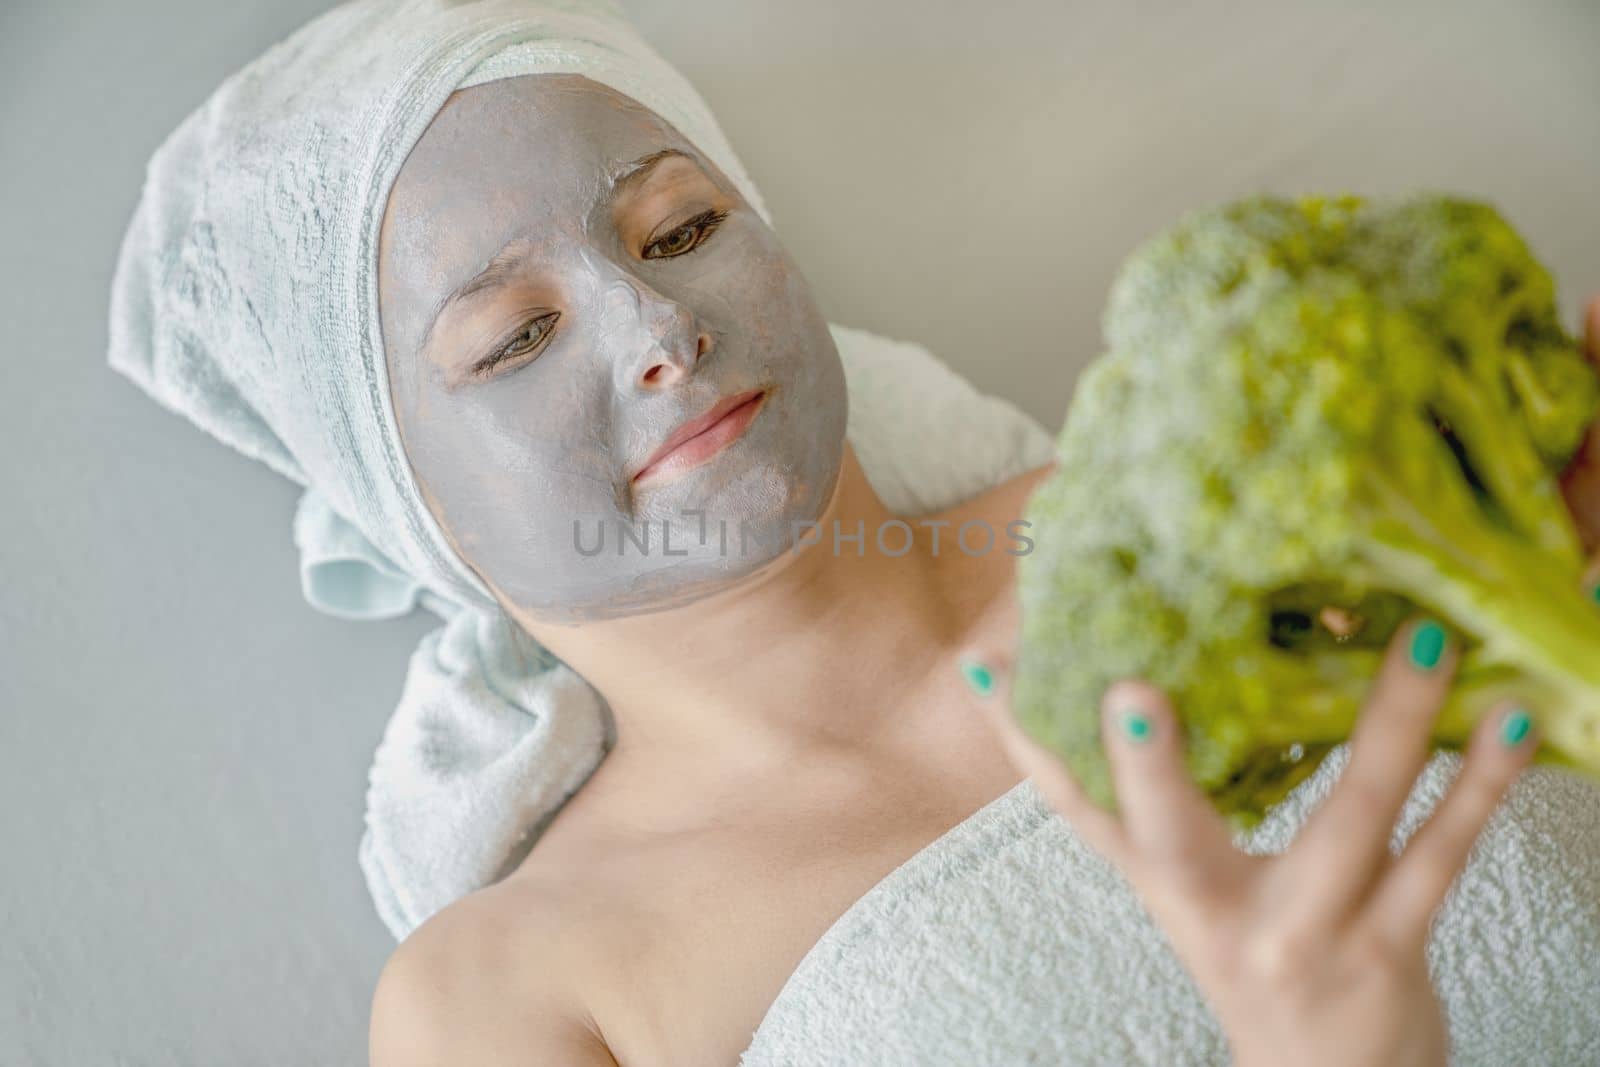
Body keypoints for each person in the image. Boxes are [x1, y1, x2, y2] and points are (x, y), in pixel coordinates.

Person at [103, 3, 1600, 1064]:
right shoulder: (509, 998)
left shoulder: (1260, 512)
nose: (657, 329)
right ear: (399, 505)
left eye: (680, 229)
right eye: (512, 337)